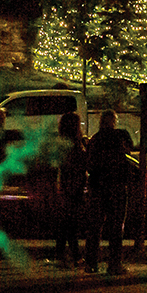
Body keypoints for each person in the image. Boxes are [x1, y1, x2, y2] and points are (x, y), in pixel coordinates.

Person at [84, 110, 134, 275]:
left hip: (97, 186)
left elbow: (90, 165)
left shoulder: (95, 140)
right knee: (116, 226)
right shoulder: (120, 137)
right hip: (117, 187)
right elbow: (128, 154)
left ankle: (91, 263)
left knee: (94, 227)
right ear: (114, 121)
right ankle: (114, 263)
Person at [55, 111, 88, 268]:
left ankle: (61, 253)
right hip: (74, 187)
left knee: (65, 222)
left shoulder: (63, 144)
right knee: (71, 223)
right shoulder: (74, 145)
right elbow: (78, 165)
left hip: (67, 186)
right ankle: (75, 255)